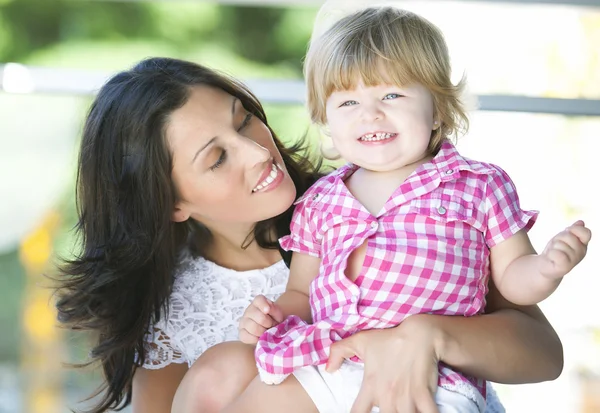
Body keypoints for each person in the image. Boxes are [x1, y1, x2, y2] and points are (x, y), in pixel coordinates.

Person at [55, 57, 562, 413]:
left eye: (245, 119)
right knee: (224, 368)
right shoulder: (172, 305)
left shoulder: (369, 200)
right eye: (217, 158)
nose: (258, 152)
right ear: (171, 203)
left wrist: (428, 334)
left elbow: (544, 351)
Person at [224, 6, 590, 413]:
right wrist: (274, 317)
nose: (370, 113)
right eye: (347, 102)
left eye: (392, 94)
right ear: (325, 117)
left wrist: (546, 269)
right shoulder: (318, 201)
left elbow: (513, 282)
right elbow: (301, 294)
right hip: (330, 361)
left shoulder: (478, 185)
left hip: (436, 376)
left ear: (438, 109)